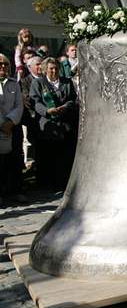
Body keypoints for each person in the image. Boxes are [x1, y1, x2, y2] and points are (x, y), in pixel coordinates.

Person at [30, 58, 79, 190]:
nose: (54, 70)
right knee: (47, 156)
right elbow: (35, 101)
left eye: (56, 68)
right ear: (45, 69)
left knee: (64, 156)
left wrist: (65, 107)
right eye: (51, 68)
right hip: (48, 126)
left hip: (65, 125)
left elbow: (73, 99)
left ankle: (64, 183)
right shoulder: (38, 83)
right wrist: (47, 111)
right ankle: (47, 185)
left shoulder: (67, 82)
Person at [0, 54, 24, 206]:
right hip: (1, 126)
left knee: (15, 159)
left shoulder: (14, 84)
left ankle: (16, 190)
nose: (3, 67)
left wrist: (10, 122)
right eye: (0, 64)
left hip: (12, 126)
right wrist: (2, 124)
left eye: (5, 64)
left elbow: (19, 105)